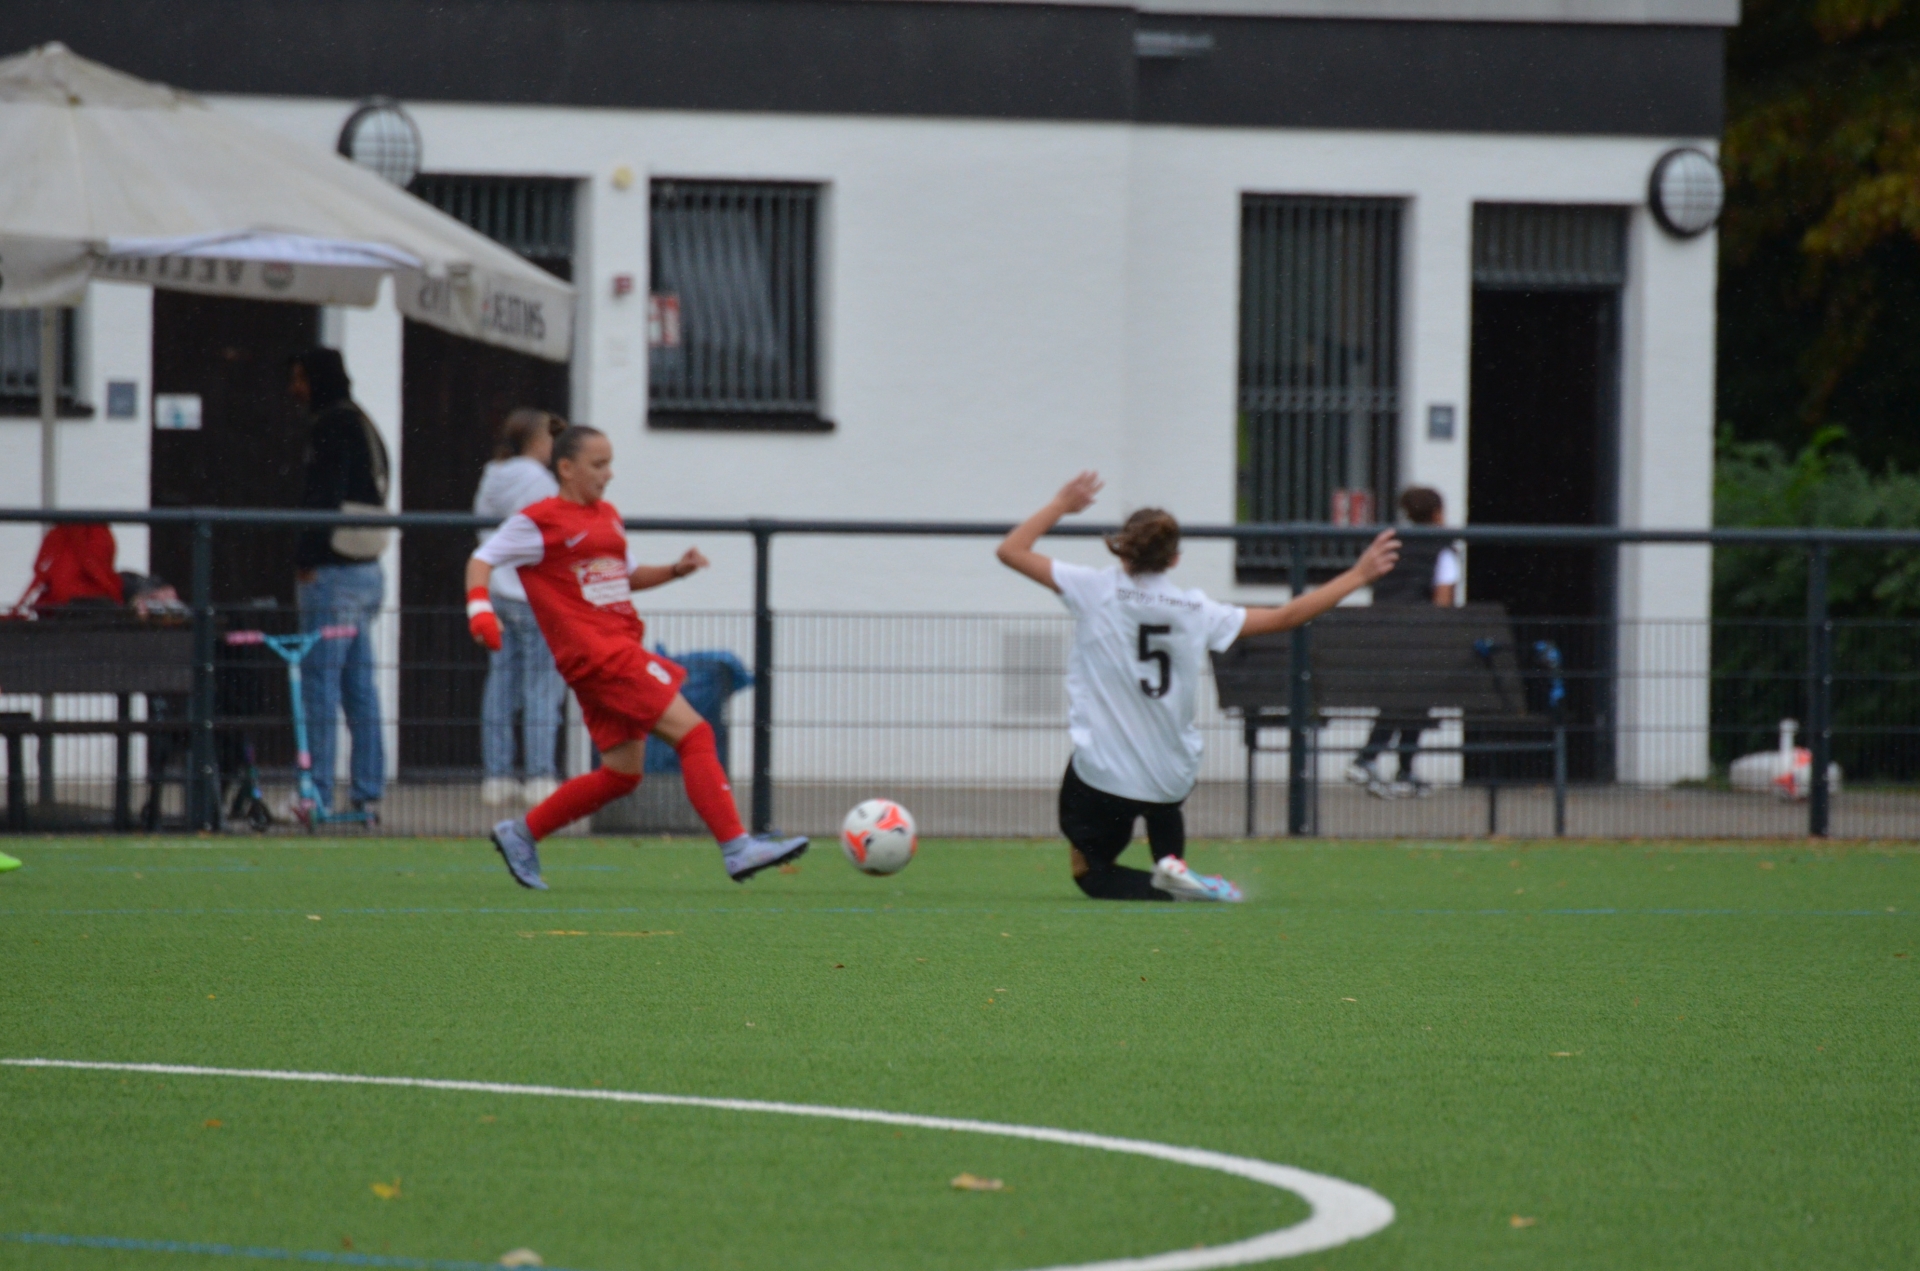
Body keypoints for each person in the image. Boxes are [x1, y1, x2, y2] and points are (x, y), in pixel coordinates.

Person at [997, 472, 1399, 902]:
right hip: (1170, 778)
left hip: (1104, 773)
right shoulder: (1196, 609)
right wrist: (1358, 575)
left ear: (1121, 548)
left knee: (1090, 874)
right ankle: (1171, 862)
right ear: (1174, 559)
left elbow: (1011, 550)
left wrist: (1062, 503)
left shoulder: (1094, 589)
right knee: (1160, 798)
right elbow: (1287, 616)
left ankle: (1168, 888)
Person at [466, 425, 806, 889]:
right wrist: (481, 611)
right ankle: (737, 847)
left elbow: (623, 577)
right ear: (566, 468)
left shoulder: (606, 515)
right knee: (695, 733)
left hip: (613, 652)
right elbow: (482, 559)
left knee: (621, 775)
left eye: (610, 463)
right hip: (602, 656)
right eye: (598, 464)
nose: (609, 474)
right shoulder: (540, 519)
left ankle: (521, 833)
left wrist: (675, 571)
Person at [291, 347, 389, 818]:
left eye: (300, 378)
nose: (296, 389)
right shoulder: (364, 422)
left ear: (315, 379)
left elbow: (323, 494)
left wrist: (306, 556)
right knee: (360, 687)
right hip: (368, 570)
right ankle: (367, 792)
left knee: (319, 685)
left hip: (332, 571)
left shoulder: (330, 424)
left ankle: (316, 793)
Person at [472, 408, 568, 808]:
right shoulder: (540, 481)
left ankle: (496, 776)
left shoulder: (492, 474)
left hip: (498, 589)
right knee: (542, 686)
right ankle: (540, 775)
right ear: (537, 442)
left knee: (501, 684)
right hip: (534, 593)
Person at [1346, 486, 1459, 799]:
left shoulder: (1390, 545)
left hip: (1383, 635)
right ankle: (1372, 759)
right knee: (1413, 696)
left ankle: (1398, 769)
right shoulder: (1443, 549)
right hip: (1420, 638)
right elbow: (1443, 601)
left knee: (1402, 697)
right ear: (1438, 514)